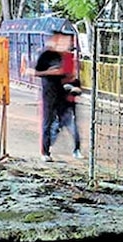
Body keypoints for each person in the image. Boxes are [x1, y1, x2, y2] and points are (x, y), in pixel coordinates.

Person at [33, 30, 82, 161]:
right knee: (48, 124)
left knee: (70, 124)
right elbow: (37, 72)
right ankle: (45, 152)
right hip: (49, 96)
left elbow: (70, 76)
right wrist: (51, 72)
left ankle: (76, 149)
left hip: (64, 97)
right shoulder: (46, 55)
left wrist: (74, 86)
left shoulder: (65, 57)